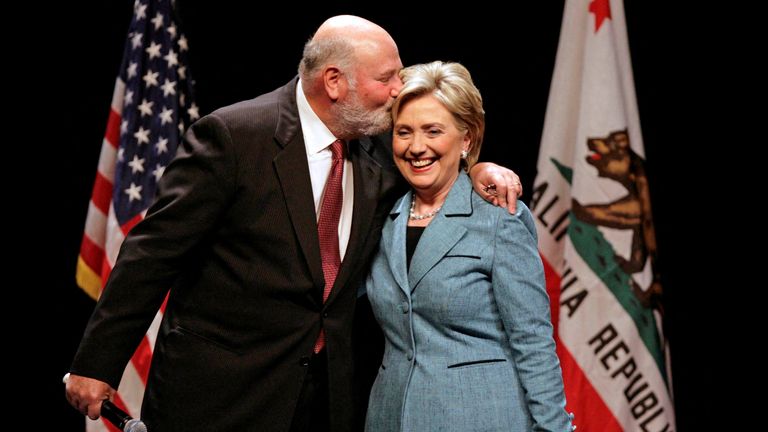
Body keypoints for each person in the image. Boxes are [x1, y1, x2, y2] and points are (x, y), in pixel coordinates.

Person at [64, 16, 523, 432]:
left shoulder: (379, 149)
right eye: (387, 78)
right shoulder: (234, 137)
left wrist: (477, 172)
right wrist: (98, 362)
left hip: (324, 402)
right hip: (220, 397)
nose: (398, 90)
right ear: (335, 82)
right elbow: (152, 253)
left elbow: (434, 170)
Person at [363, 61, 573, 432]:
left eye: (433, 131)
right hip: (390, 417)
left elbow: (533, 342)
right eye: (404, 131)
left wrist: (554, 428)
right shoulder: (381, 214)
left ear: (467, 140)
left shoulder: (498, 218)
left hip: (483, 417)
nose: (416, 147)